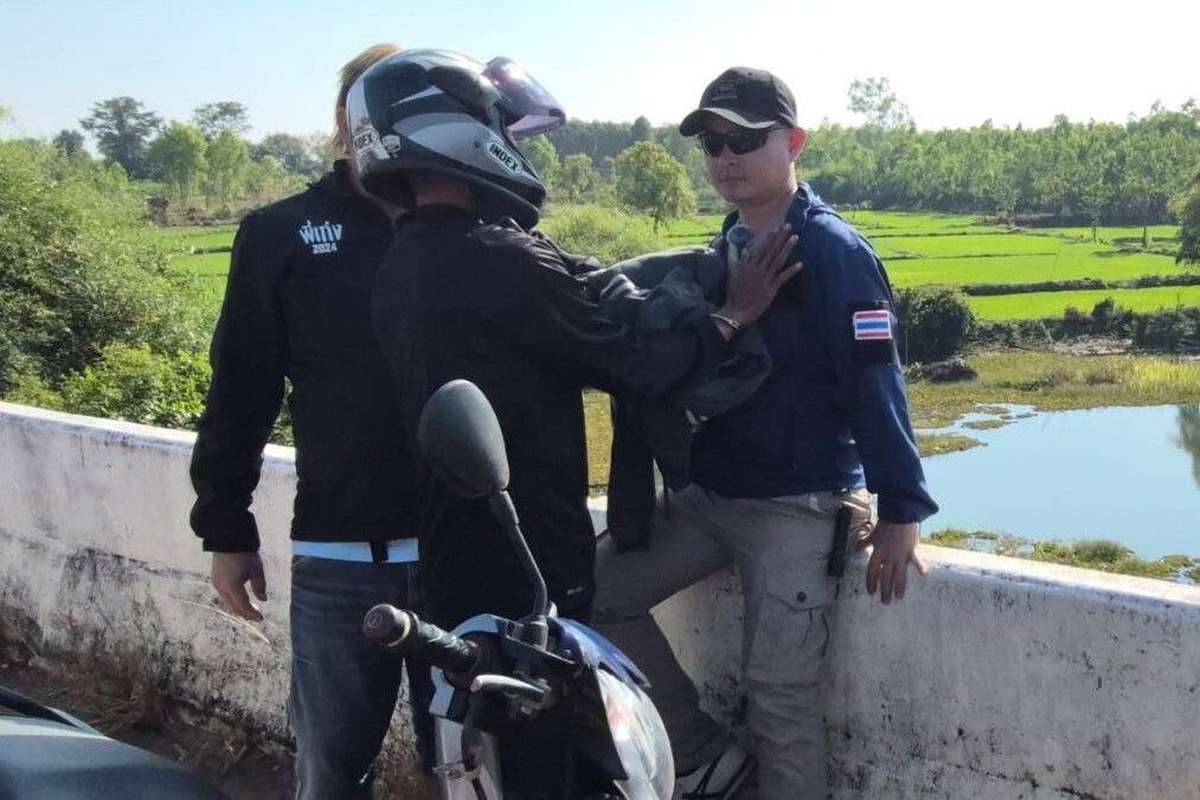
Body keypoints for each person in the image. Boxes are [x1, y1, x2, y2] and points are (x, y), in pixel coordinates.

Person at [354, 49, 798, 637]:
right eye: (502, 129)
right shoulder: (504, 260)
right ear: (460, 132)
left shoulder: (398, 263)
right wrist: (733, 316)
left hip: (449, 553)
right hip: (529, 561)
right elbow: (641, 367)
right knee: (559, 697)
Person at [591, 67, 939, 800]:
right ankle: (702, 755)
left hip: (797, 504)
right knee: (594, 597)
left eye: (745, 141)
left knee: (780, 702)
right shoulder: (727, 242)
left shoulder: (835, 252)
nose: (726, 158)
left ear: (795, 142)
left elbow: (876, 382)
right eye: (712, 144)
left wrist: (902, 507)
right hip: (709, 496)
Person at [188, 44, 433, 799]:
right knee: (331, 770)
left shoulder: (464, 225)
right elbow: (242, 388)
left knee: (470, 768)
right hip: (340, 553)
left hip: (464, 550)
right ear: (346, 119)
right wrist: (226, 529)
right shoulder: (283, 232)